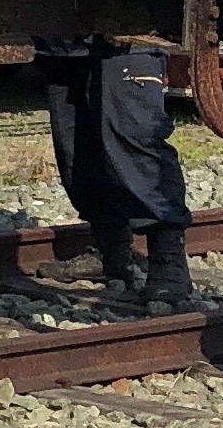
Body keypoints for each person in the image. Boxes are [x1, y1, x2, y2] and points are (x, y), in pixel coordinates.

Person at [36, 42, 191, 310]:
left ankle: (169, 261)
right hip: (63, 42)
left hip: (130, 38)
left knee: (136, 139)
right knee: (77, 148)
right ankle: (113, 255)